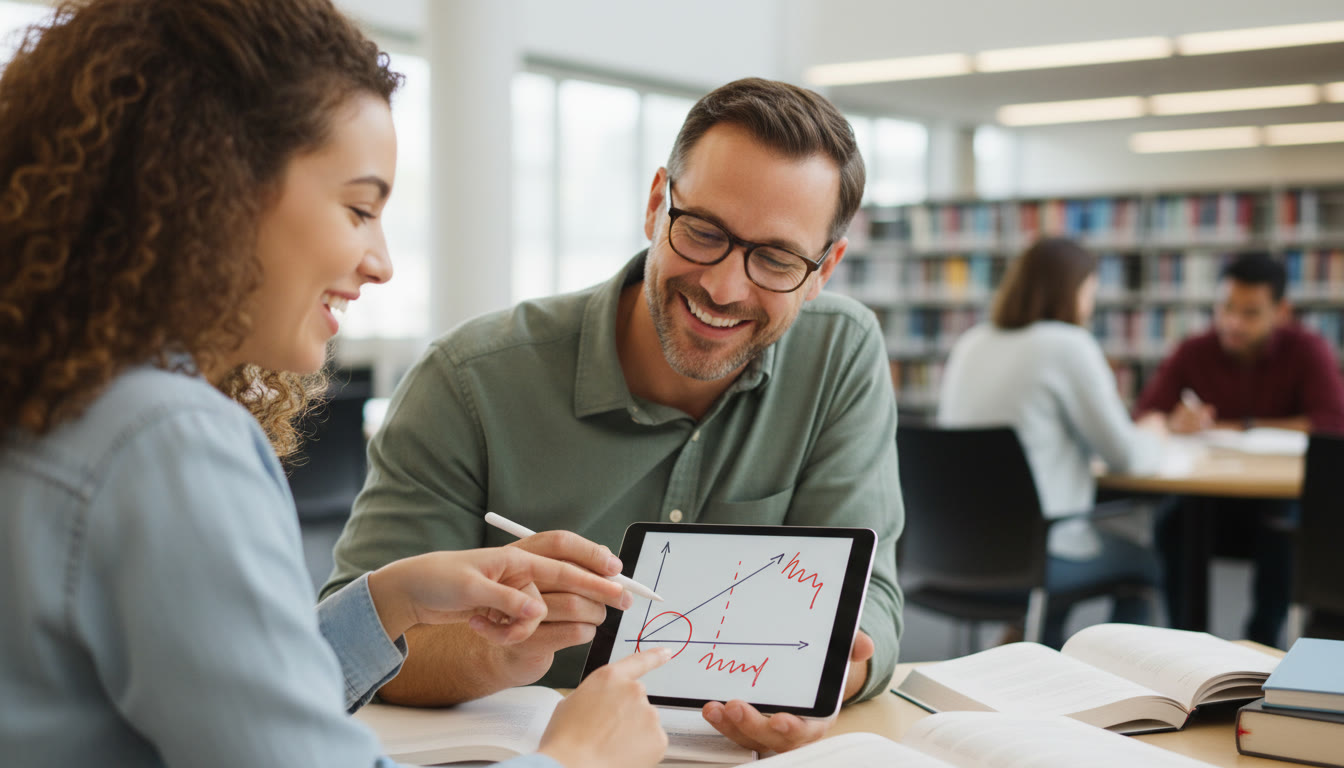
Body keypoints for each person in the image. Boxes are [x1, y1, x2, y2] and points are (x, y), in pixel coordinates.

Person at [0, 2, 672, 767]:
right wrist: (580, 756)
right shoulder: (166, 441)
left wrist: (390, 602)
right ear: (215, 184)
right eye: (358, 209)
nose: (381, 263)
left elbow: (220, 691)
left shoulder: (67, 397)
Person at [322, 77, 904, 753]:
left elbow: (871, 602)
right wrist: (499, 651)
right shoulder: (467, 380)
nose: (723, 287)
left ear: (824, 270)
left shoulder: (840, 351)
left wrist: (826, 679)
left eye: (775, 260)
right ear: (657, 204)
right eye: (703, 231)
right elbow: (350, 649)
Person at [938, 237, 1166, 649]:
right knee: (1144, 563)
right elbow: (1127, 457)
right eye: (1090, 291)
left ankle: (1032, 645)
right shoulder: (1068, 344)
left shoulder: (972, 341)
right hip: (1034, 556)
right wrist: (1156, 434)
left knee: (1051, 532)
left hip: (950, 552)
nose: (1091, 305)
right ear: (1074, 290)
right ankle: (1118, 674)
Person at [1135, 252, 1344, 647]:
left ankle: (1262, 641)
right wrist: (1172, 421)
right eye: (1227, 307)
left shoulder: (1307, 350)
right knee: (1172, 523)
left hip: (1278, 498)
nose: (1233, 322)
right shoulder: (1194, 350)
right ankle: (1185, 642)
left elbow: (1332, 423)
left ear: (1281, 312)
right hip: (1212, 499)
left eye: (1250, 313)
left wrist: (1243, 425)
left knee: (1282, 522)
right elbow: (1145, 414)